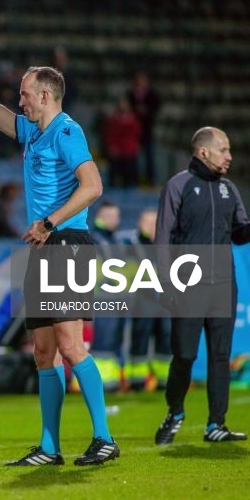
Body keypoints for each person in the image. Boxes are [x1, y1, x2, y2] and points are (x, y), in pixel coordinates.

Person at [0, 26, 119, 466]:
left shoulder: (66, 130)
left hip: (68, 242)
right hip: (44, 245)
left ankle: (104, 438)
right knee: (42, 350)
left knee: (69, 342)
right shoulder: (33, 132)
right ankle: (49, 447)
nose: (18, 100)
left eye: (24, 94)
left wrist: (48, 221)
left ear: (45, 95)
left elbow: (93, 185)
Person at [154, 127, 249, 444]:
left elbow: (240, 232)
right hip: (187, 284)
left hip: (223, 284)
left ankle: (216, 424)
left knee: (220, 355)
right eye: (224, 149)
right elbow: (163, 237)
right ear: (203, 152)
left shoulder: (229, 189)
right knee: (184, 355)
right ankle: (175, 411)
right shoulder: (178, 185)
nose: (230, 156)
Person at [124, 209, 171, 391]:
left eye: (154, 222)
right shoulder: (133, 244)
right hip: (142, 301)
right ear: (139, 223)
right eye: (147, 222)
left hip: (164, 302)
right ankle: (137, 382)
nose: (151, 226)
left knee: (166, 339)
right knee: (140, 340)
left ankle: (164, 381)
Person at [89, 200, 126, 391]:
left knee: (114, 341)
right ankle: (98, 383)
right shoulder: (94, 238)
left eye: (116, 216)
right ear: (100, 217)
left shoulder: (114, 239)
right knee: (104, 340)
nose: (115, 219)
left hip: (116, 296)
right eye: (110, 216)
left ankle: (110, 382)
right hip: (102, 297)